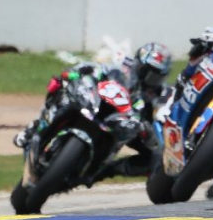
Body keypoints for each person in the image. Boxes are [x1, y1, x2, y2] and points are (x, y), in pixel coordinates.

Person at [14, 42, 173, 180]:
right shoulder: (123, 63)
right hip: (99, 100)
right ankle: (33, 128)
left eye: (157, 76)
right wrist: (78, 73)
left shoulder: (158, 93)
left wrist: (147, 130)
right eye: (149, 73)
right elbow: (97, 67)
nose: (151, 80)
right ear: (140, 65)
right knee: (61, 85)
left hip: (123, 123)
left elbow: (157, 126)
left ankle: (106, 170)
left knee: (155, 158)